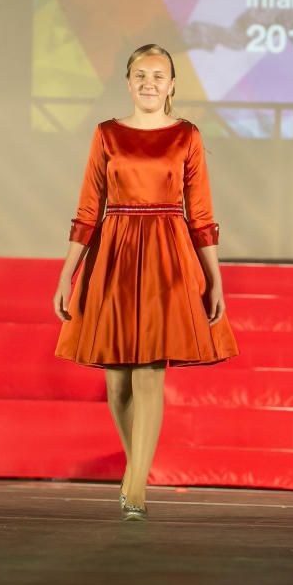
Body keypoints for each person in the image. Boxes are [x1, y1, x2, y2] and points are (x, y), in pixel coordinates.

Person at [53, 43, 239, 522]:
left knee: (150, 374)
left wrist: (215, 280)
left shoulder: (187, 137)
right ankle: (136, 468)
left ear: (172, 84)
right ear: (128, 81)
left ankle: (135, 487)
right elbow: (88, 209)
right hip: (113, 256)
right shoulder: (107, 135)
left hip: (167, 258)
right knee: (117, 384)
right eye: (140, 74)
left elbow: (201, 214)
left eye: (159, 75)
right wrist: (68, 272)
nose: (149, 82)